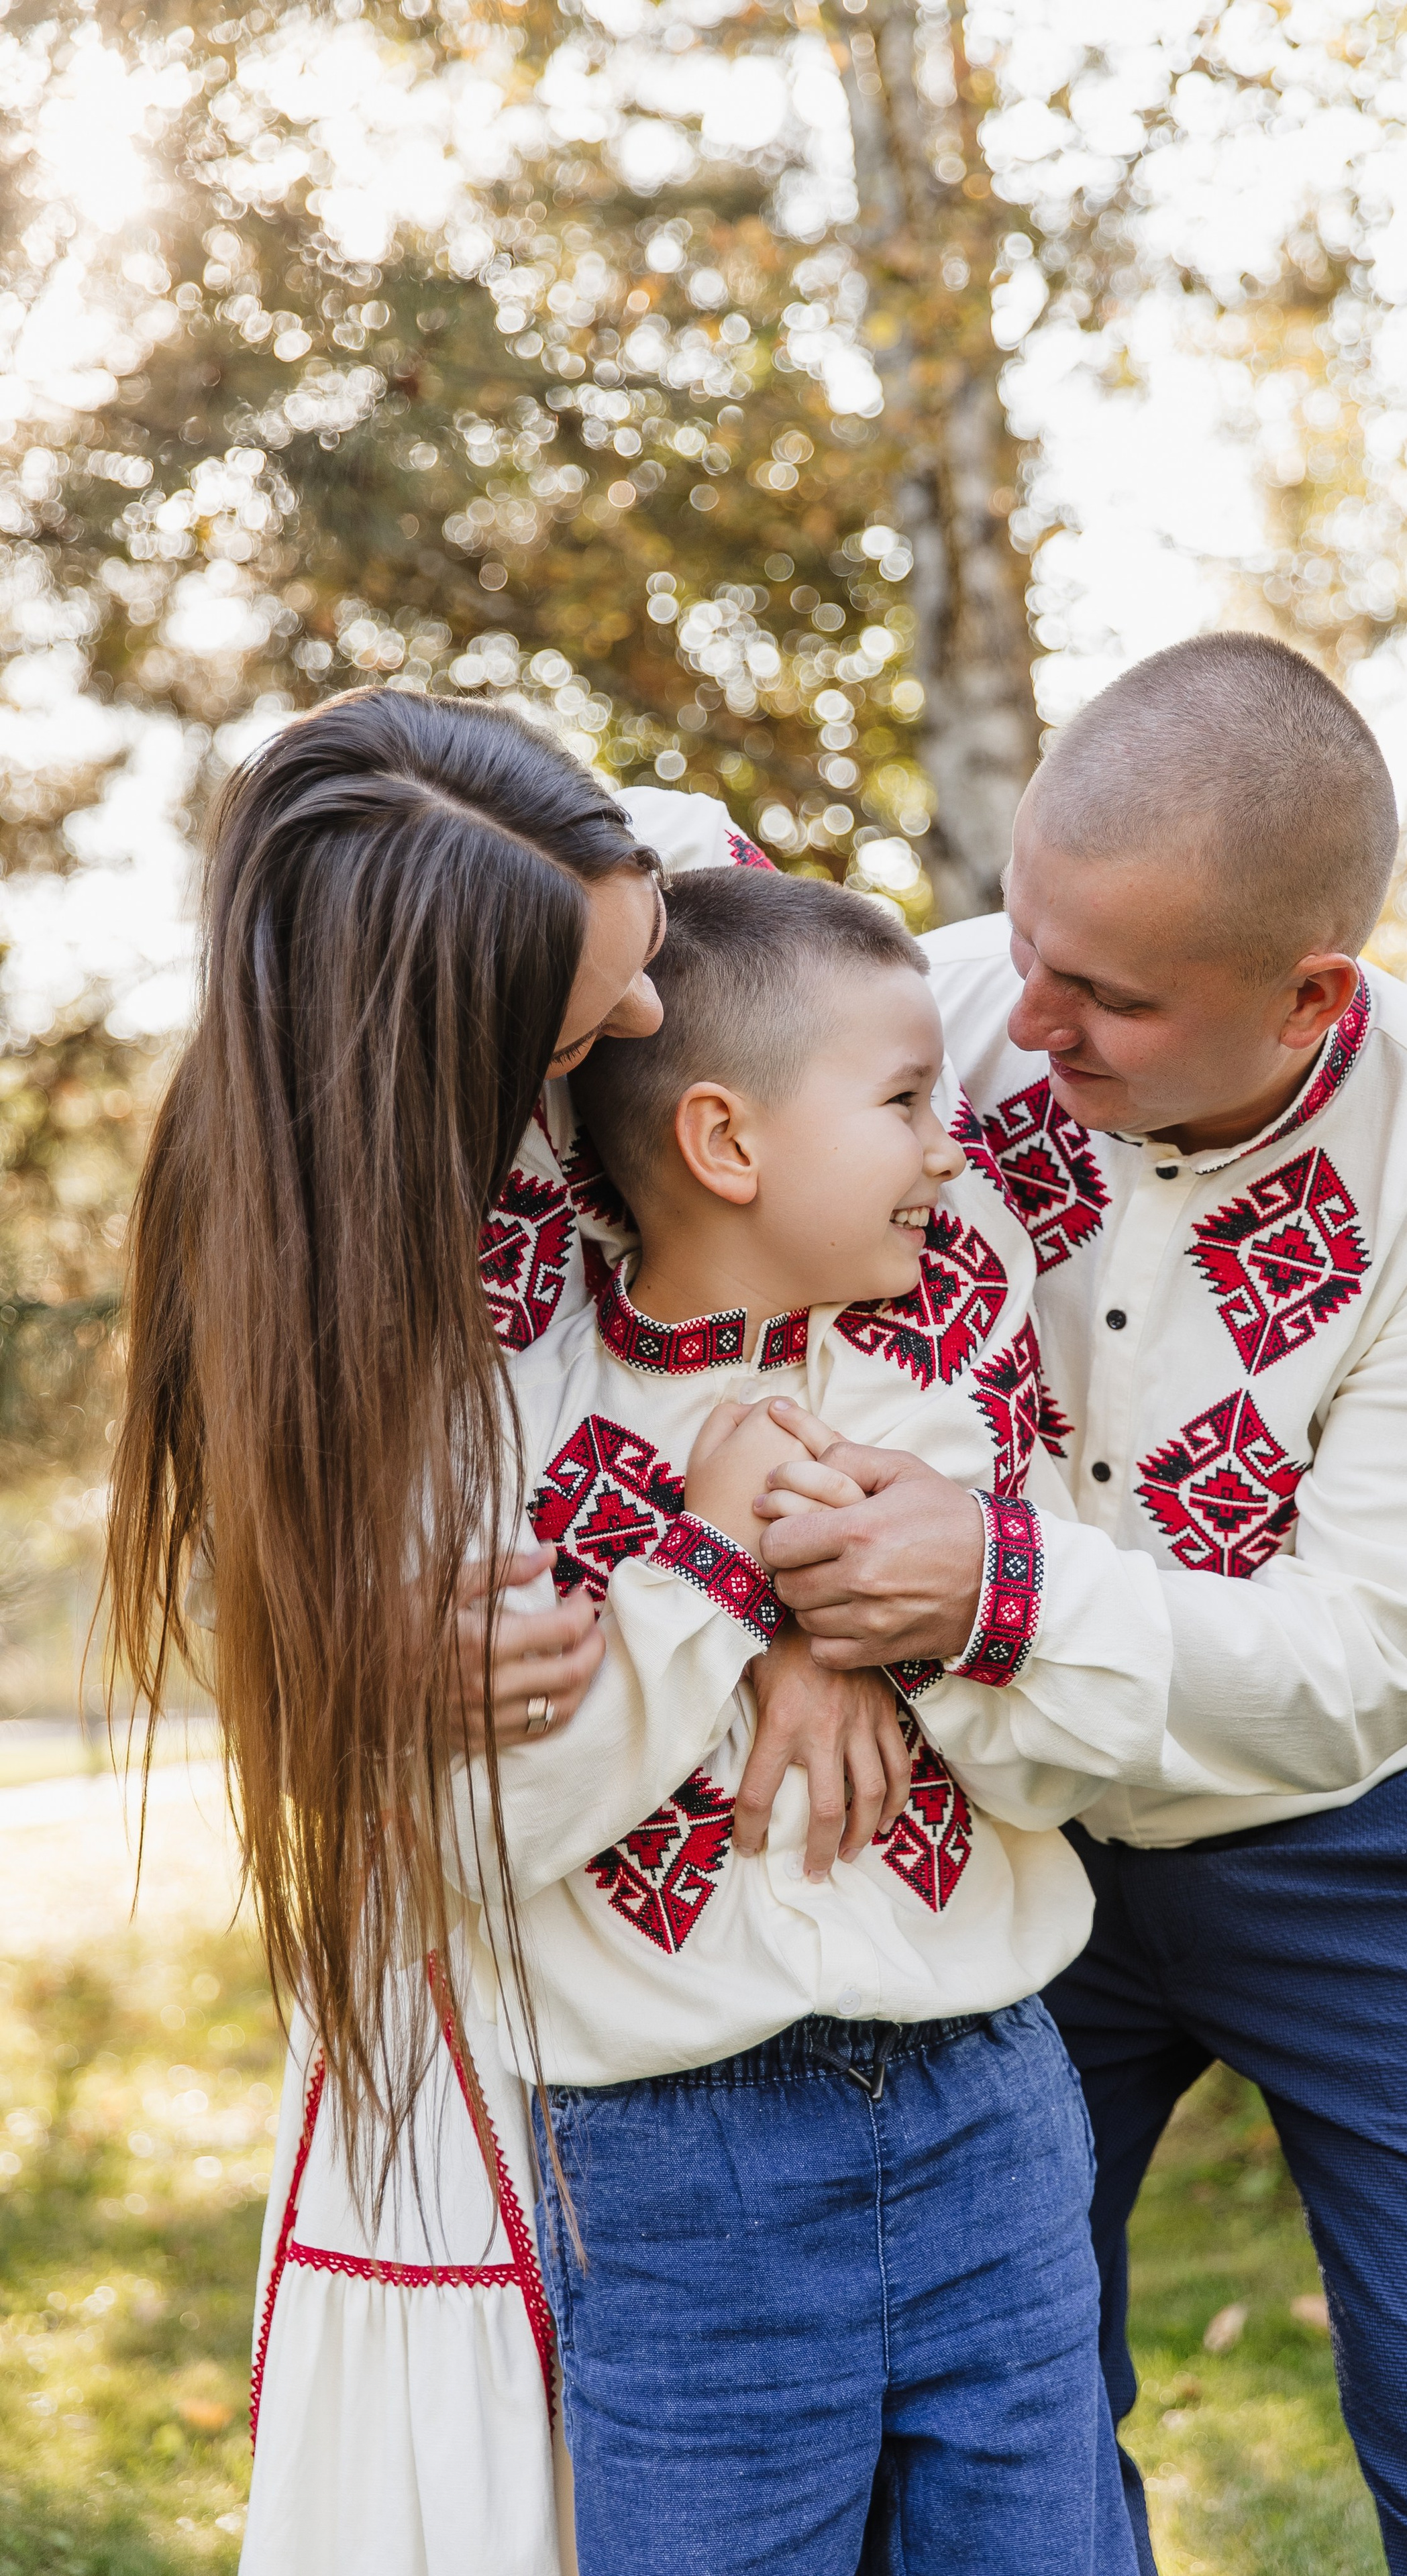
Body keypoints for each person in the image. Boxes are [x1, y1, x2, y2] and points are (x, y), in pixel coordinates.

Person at [748, 633, 1407, 2574]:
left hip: (1376, 1839)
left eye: (1112, 995)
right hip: (999, 1814)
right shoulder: (927, 1022)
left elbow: (1360, 1656)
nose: (1027, 1017)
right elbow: (727, 1304)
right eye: (1028, 935)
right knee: (985, 2437)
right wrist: (804, 1622)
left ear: (1311, 990)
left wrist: (994, 1591)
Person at [102, 692, 902, 2576]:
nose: (648, 1016)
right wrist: (358, 1665)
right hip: (515, 2008)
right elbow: (434, 1779)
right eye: (579, 1029)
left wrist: (818, 1603)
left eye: (646, 949)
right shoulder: (316, 1272)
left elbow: (840, 1197)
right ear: (441, 1067)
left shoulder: (642, 876)